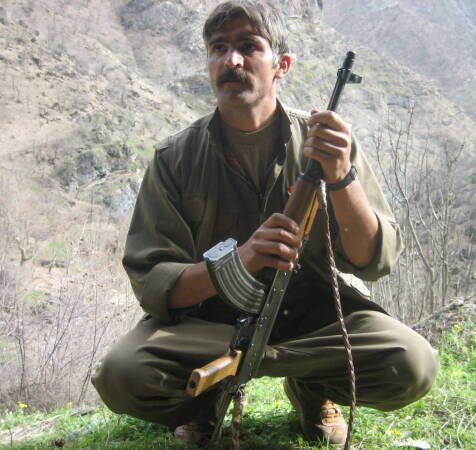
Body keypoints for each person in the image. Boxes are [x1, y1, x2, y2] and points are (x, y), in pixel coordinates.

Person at [92, 0, 439, 446]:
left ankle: (312, 388)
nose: (232, 60)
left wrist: (341, 177)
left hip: (314, 321)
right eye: (219, 48)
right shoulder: (175, 159)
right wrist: (238, 264)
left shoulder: (326, 143)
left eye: (248, 46)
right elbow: (155, 282)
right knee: (123, 374)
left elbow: (376, 258)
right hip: (211, 325)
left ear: (282, 65)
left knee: (411, 364)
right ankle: (205, 399)